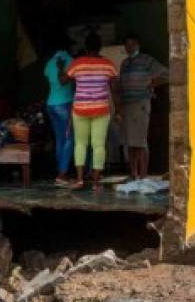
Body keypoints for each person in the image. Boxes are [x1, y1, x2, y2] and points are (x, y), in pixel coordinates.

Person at [61, 33, 119, 191]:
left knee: (80, 144)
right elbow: (115, 89)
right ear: (100, 47)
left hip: (80, 109)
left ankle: (79, 180)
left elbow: (63, 81)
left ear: (85, 47)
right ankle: (96, 183)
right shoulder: (108, 64)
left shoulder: (77, 63)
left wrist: (61, 68)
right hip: (101, 109)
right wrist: (119, 110)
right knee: (99, 145)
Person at [119, 33, 168, 179]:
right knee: (130, 142)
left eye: (132, 44)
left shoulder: (147, 60)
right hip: (127, 105)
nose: (129, 47)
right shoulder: (124, 64)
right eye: (126, 45)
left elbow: (167, 74)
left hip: (141, 104)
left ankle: (143, 175)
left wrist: (151, 84)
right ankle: (134, 174)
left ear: (138, 45)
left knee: (140, 140)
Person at [43, 38, 75, 184]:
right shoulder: (70, 60)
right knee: (69, 138)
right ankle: (62, 174)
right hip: (64, 104)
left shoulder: (49, 62)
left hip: (50, 104)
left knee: (60, 139)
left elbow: (47, 77)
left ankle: (60, 171)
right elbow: (67, 81)